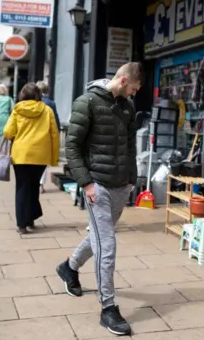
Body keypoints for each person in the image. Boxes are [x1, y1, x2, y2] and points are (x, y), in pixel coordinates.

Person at [56, 62, 141, 336]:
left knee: (99, 238)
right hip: (98, 185)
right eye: (134, 88)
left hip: (120, 185)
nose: (134, 94)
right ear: (124, 80)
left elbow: (130, 145)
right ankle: (108, 308)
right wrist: (86, 182)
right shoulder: (87, 102)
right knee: (107, 245)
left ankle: (69, 267)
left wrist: (132, 178)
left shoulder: (127, 107)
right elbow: (72, 145)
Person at [3, 83, 59, 234]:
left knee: (22, 187)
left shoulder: (17, 109)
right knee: (34, 186)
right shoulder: (47, 110)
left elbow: (8, 132)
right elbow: (54, 134)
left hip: (21, 154)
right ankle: (31, 219)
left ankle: (22, 224)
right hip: (40, 155)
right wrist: (54, 158)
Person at [36, 80, 60, 193]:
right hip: (46, 136)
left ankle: (33, 182)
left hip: (32, 136)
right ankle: (40, 184)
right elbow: (56, 122)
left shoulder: (31, 102)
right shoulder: (51, 103)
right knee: (43, 162)